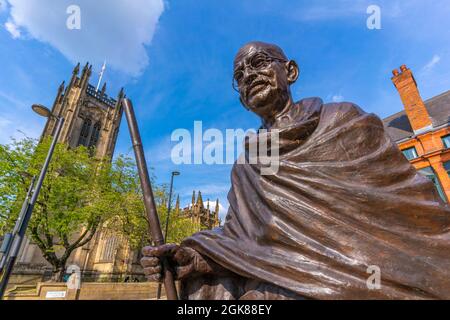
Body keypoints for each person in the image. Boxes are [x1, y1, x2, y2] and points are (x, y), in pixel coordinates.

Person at [141, 41, 450, 300]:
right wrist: (192, 258)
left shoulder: (343, 120)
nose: (249, 75)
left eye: (258, 63)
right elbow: (238, 237)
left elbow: (409, 204)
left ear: (290, 71)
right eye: (240, 75)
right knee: (208, 289)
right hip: (276, 274)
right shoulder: (246, 165)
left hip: (354, 271)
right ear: (242, 99)